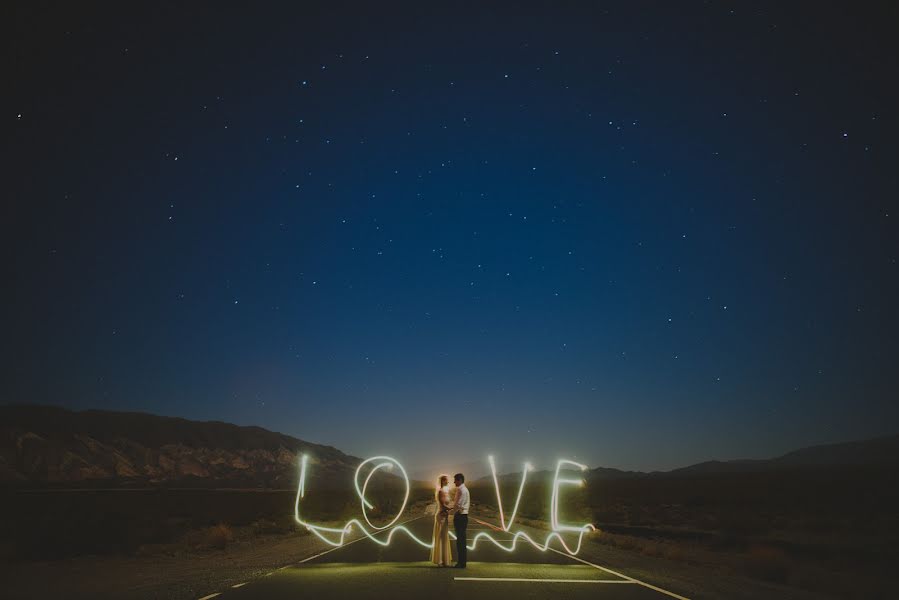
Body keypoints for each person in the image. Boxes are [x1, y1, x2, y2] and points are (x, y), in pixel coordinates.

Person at [430, 475, 453, 566]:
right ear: (442, 481)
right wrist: (452, 509)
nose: (448, 482)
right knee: (440, 536)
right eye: (446, 480)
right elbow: (442, 505)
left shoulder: (445, 491)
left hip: (445, 515)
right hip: (441, 516)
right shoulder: (440, 491)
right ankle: (440, 560)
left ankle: (444, 559)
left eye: (448, 480)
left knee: (444, 537)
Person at [450, 472, 470, 568]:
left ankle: (461, 563)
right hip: (463, 516)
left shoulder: (461, 490)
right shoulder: (464, 489)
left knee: (460, 541)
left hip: (461, 516)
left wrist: (451, 511)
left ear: (460, 480)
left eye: (455, 480)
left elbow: (458, 504)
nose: (454, 482)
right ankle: (462, 562)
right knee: (461, 540)